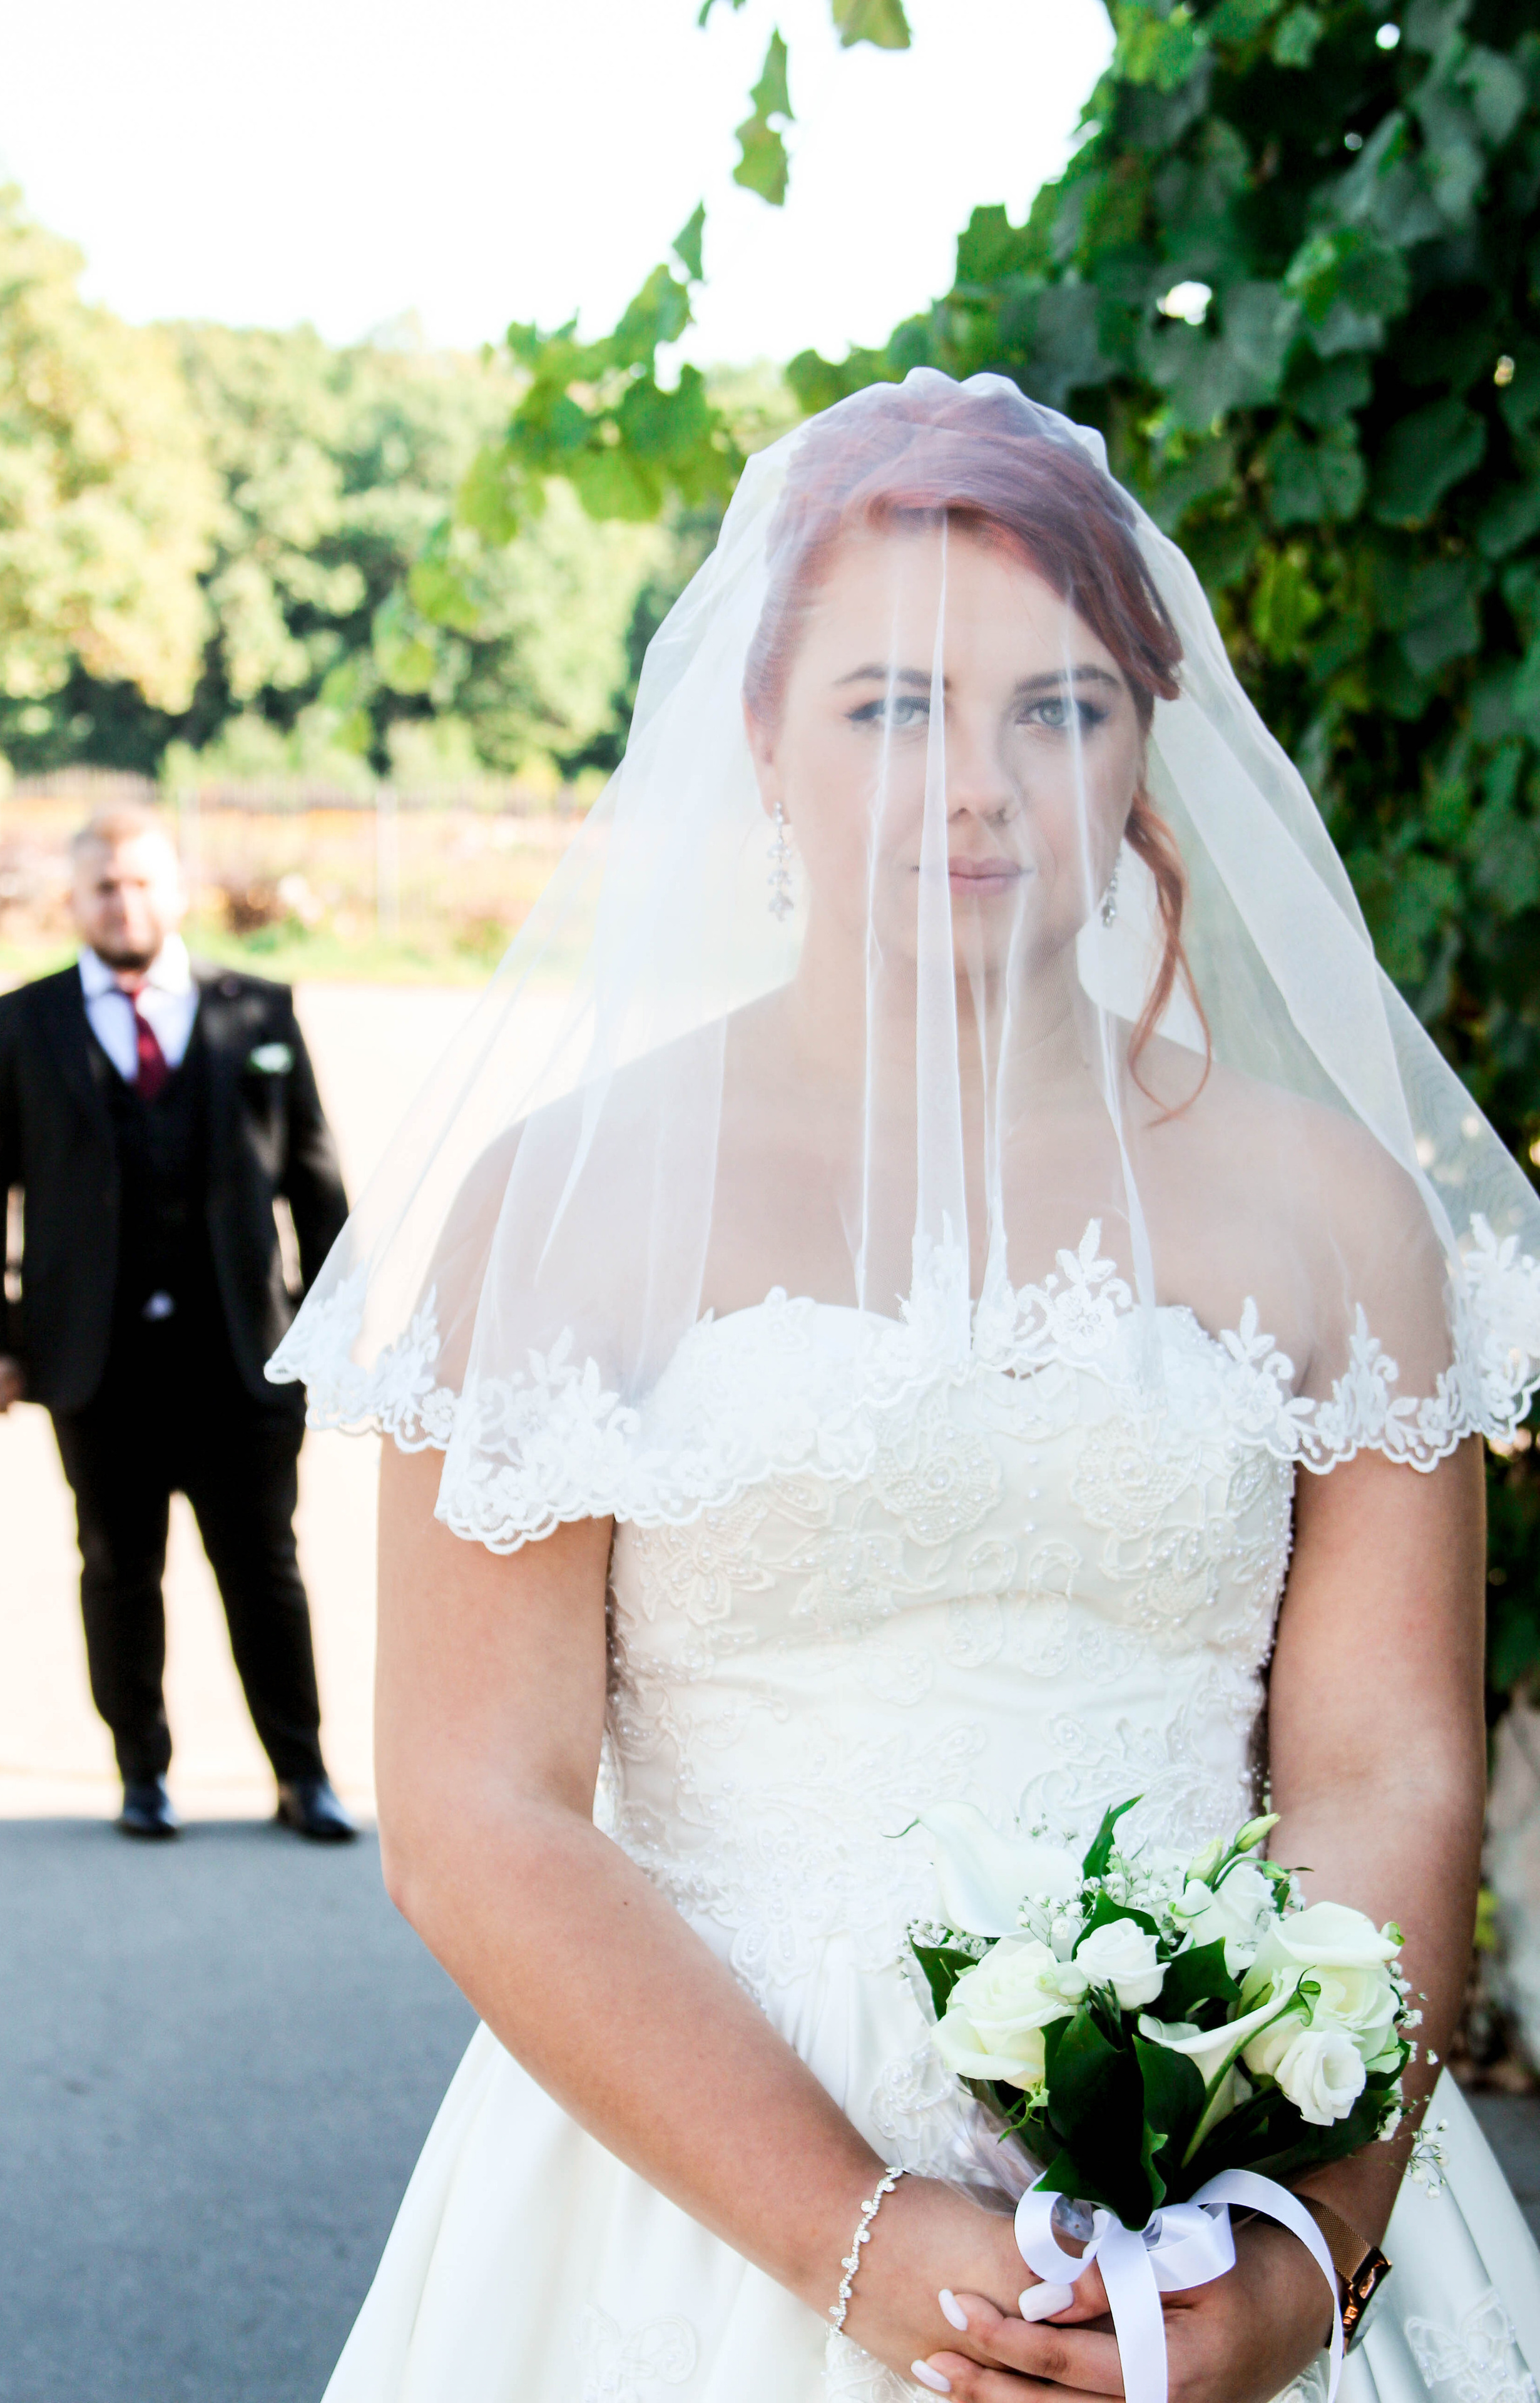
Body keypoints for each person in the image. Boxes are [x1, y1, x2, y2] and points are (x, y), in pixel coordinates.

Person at [272, 375, 1540, 2400]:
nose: (978, 785)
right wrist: (856, 2244)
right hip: (696, 2200)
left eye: (1056, 707)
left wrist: (1303, 2255)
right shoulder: (562, 1208)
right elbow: (474, 1808)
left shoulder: (1334, 1212)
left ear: (1143, 745)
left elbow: (1386, 1774)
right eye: (890, 707)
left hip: (1229, 2175)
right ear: (762, 742)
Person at [0, 804, 355, 1844]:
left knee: (264, 1567)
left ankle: (303, 1777)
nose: (123, 902)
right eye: (102, 886)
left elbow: (316, 1183)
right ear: (74, 900)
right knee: (118, 1568)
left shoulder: (258, 1012)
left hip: (242, 1357)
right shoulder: (18, 1023)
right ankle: (143, 1775)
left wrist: (331, 1330)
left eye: (139, 883)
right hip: (97, 1361)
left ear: (173, 893)